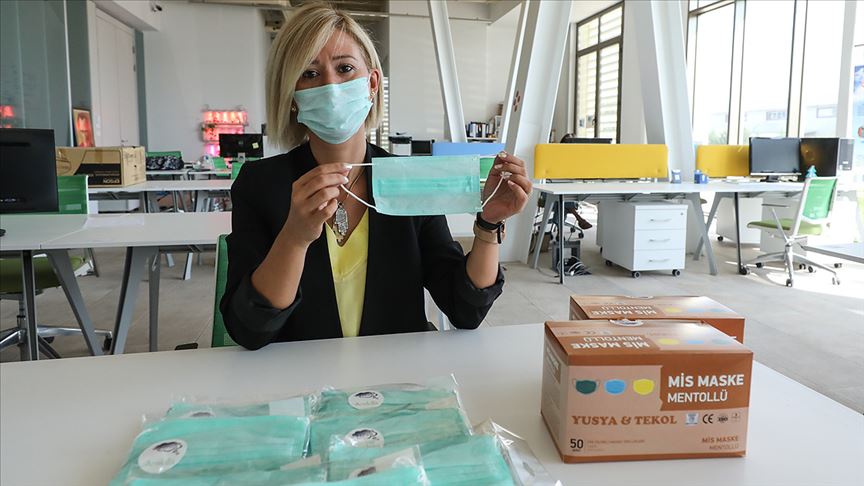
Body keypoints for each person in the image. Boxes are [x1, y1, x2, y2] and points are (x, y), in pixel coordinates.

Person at [220, 3, 532, 350]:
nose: (331, 85)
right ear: (292, 95)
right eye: (309, 73)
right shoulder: (260, 185)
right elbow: (249, 330)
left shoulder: (408, 180)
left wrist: (489, 224)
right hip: (300, 381)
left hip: (396, 378)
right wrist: (294, 238)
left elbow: (464, 310)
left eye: (345, 68)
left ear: (371, 83)